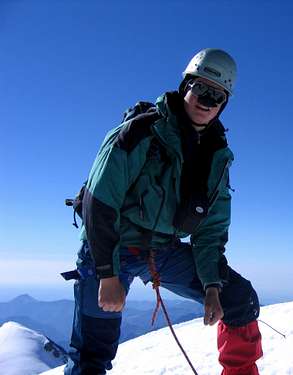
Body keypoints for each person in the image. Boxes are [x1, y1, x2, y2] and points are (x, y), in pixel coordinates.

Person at [63, 48, 263, 375]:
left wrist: (212, 285)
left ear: (223, 104)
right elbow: (99, 204)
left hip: (162, 249)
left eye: (217, 95)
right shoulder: (139, 133)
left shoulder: (216, 156)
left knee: (238, 299)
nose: (206, 100)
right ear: (185, 86)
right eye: (200, 88)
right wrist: (107, 274)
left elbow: (211, 230)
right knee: (92, 355)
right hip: (111, 247)